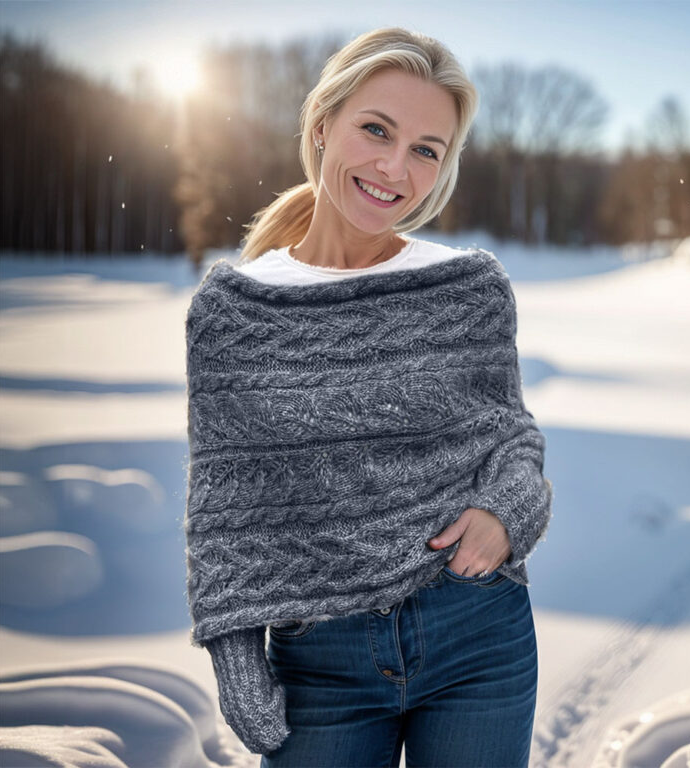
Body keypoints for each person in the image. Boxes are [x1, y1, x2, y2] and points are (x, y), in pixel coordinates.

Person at [184, 26, 552, 768]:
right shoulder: (232, 311)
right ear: (323, 124)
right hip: (319, 660)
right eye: (376, 130)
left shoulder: (469, 288)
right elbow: (225, 502)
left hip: (476, 628)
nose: (394, 167)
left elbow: (512, 438)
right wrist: (236, 654)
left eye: (426, 149)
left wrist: (507, 513)